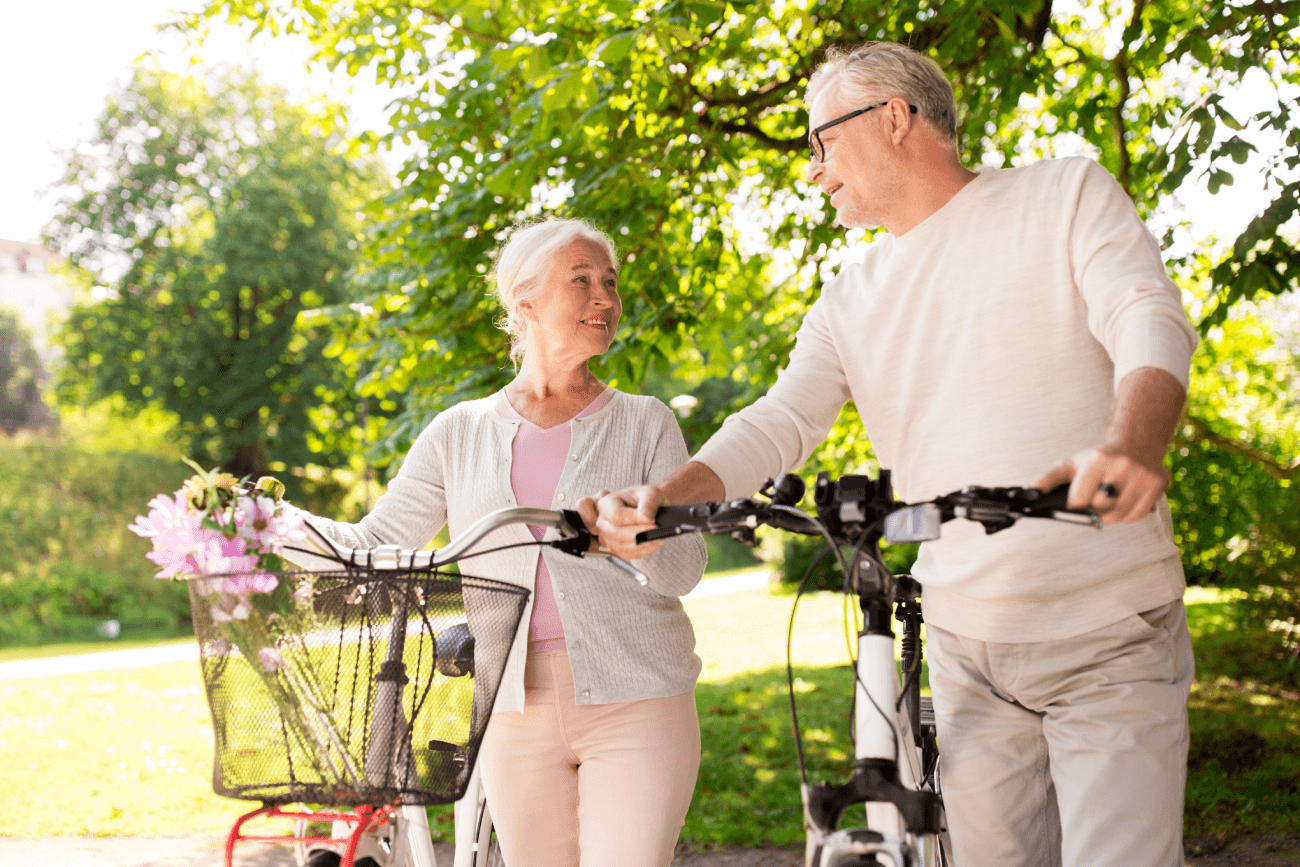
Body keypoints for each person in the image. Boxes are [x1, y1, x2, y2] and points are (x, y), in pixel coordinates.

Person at [587, 42, 1198, 867]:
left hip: (1107, 622)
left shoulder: (1062, 194)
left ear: (894, 117)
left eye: (822, 142)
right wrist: (668, 495)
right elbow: (779, 420)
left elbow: (1146, 316)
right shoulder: (850, 298)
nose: (814, 171)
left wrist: (1132, 445)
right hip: (963, 645)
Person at [290, 219, 707, 867]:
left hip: (638, 699)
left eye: (611, 283)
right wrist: (262, 526)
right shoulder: (459, 432)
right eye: (582, 281)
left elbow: (685, 569)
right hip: (512, 713)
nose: (605, 298)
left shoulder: (644, 422)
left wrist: (641, 535)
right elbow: (374, 541)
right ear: (526, 300)